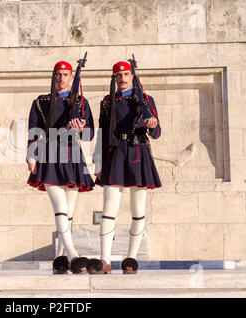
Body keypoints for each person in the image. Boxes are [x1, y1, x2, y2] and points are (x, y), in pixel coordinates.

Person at [88, 61, 162, 275]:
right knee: (109, 207)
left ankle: (131, 258)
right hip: (116, 153)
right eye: (118, 75)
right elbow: (101, 132)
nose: (122, 78)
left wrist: (153, 125)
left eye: (126, 74)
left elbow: (156, 134)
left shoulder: (146, 100)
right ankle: (104, 259)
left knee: (138, 210)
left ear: (132, 76)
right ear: (114, 78)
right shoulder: (106, 102)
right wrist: (98, 163)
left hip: (138, 152)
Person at [26, 60, 95, 274]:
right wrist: (31, 156)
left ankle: (59, 259)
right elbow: (34, 131)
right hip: (49, 152)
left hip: (71, 151)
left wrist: (81, 128)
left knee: (70, 209)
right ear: (53, 76)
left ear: (71, 78)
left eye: (66, 75)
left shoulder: (81, 102)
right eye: (59, 74)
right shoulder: (41, 101)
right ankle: (73, 254)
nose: (62, 78)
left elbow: (91, 133)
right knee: (60, 207)